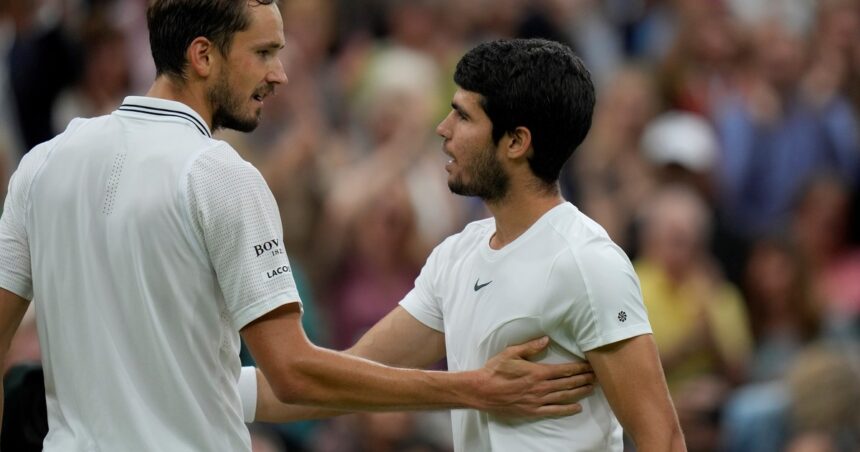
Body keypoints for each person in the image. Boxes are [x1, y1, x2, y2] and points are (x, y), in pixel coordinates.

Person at [0, 2, 594, 450]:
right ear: (203, 56)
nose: (280, 74)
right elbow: (293, 373)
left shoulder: (43, 162)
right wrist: (471, 387)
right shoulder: (219, 174)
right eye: (263, 53)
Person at [246, 38, 685, 451]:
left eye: (463, 116)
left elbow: (662, 440)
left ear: (516, 142)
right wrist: (203, 388)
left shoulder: (588, 263)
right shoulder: (457, 256)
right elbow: (339, 382)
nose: (443, 128)